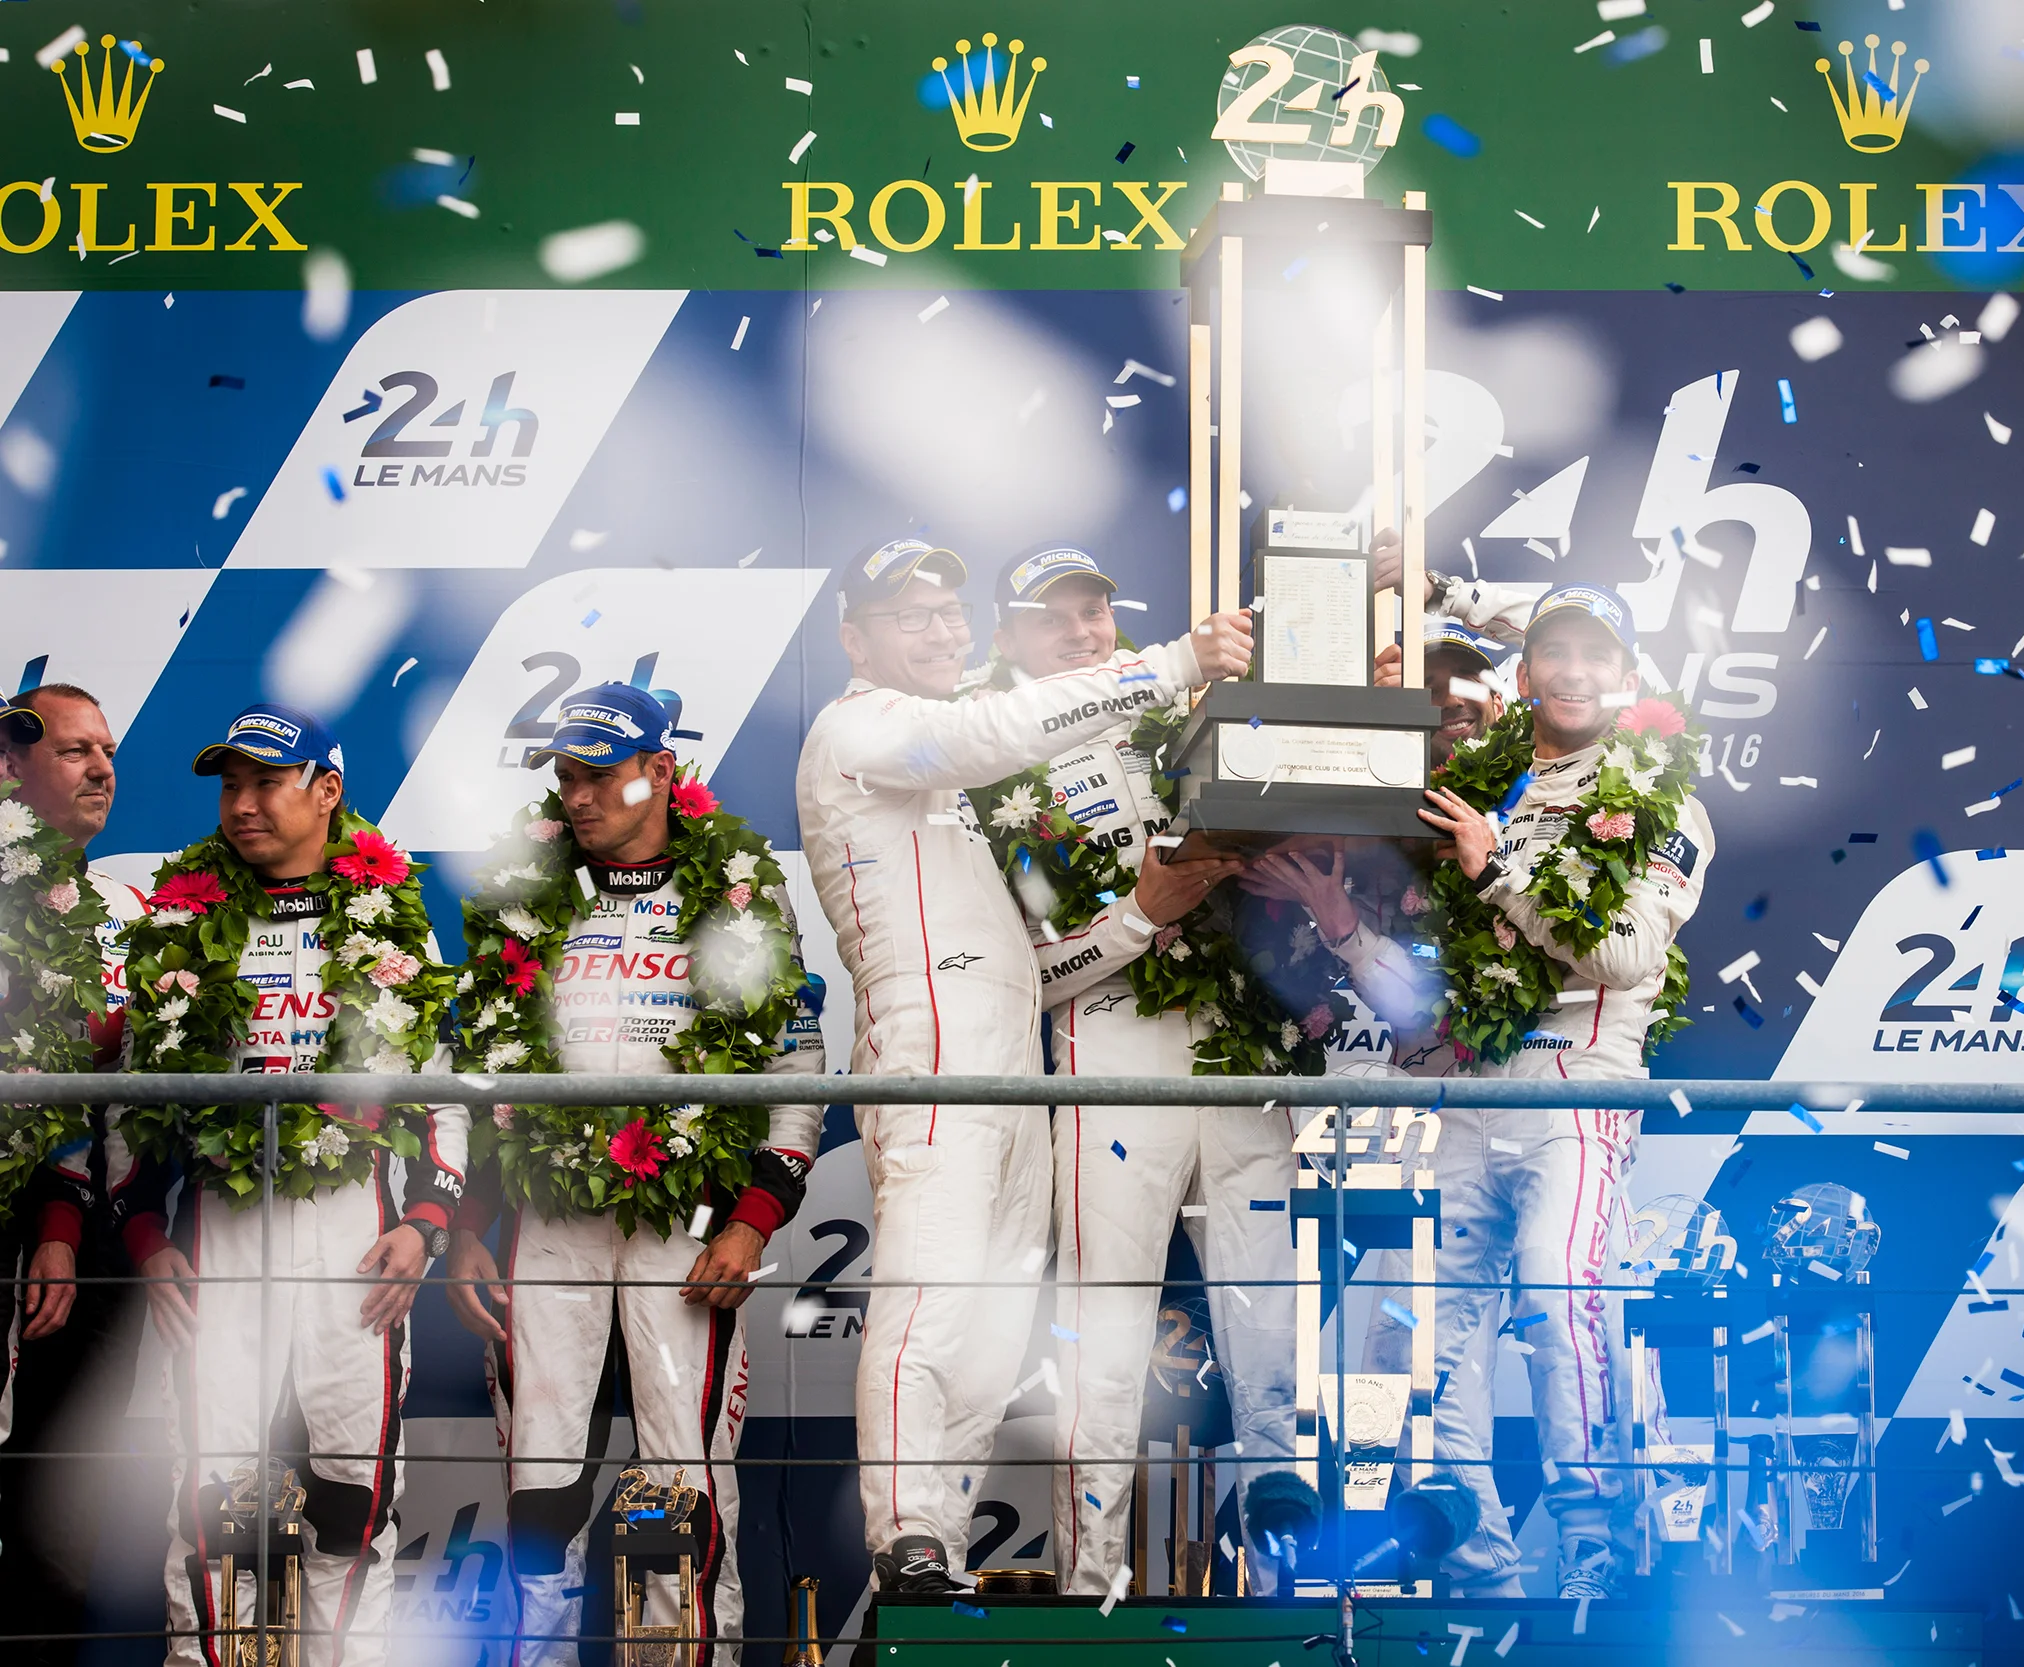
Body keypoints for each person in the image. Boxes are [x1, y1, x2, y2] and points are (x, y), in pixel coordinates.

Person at [794, 536, 1252, 1592]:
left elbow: (1039, 958)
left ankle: (939, 1549)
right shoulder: (863, 726)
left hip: (1012, 1059)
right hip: (931, 1048)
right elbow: (997, 724)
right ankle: (905, 1530)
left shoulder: (952, 769)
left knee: (994, 1335)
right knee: (929, 1298)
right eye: (910, 616)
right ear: (855, 637)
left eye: (949, 611)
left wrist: (1141, 917)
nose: (941, 630)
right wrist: (1175, 661)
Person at [1252, 585, 1713, 1599]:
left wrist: (1497, 863)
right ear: (1528, 670)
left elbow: (1627, 953)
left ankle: (1597, 1545)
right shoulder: (1484, 784)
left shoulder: (1658, 789)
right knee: (1422, 1329)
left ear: (1628, 672)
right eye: (1556, 650)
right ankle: (1477, 1561)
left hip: (1578, 1082)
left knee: (1556, 1292)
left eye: (1599, 652)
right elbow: (1429, 994)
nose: (1577, 670)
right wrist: (1336, 917)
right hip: (1466, 1085)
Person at [442, 683, 828, 1665]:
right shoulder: (523, 892)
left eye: (601, 772)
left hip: (689, 1211)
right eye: (566, 774)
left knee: (683, 1471)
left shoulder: (739, 888)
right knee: (541, 1469)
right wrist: (463, 1226)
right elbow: (481, 1072)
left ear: (661, 770)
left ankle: (691, 1654)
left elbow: (795, 1064)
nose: (579, 794)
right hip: (546, 1211)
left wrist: (751, 1217)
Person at [117, 703, 471, 1667]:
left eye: (266, 782)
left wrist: (429, 1218)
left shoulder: (392, 917)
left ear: (327, 790)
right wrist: (147, 1235)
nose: (242, 804)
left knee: (353, 1498)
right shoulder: (182, 920)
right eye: (230, 785)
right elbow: (135, 1106)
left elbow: (442, 1090)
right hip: (218, 1235)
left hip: (355, 1233)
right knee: (208, 1492)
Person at [972, 544, 1290, 1596]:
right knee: (1105, 1334)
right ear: (1009, 637)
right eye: (1053, 618)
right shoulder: (992, 777)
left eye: (1095, 611)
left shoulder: (1180, 721)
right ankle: (1086, 1580)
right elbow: (1021, 977)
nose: (1080, 632)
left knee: (1268, 1308)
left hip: (1238, 1051)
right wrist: (1135, 921)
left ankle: (1289, 1568)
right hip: (1106, 1052)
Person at [0, 686, 152, 1666]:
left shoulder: (120, 914)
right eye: (73, 750)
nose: (101, 767)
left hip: (79, 1244)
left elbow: (104, 1102)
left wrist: (60, 1210)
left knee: (60, 1492)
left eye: (107, 749)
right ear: (10, 767)